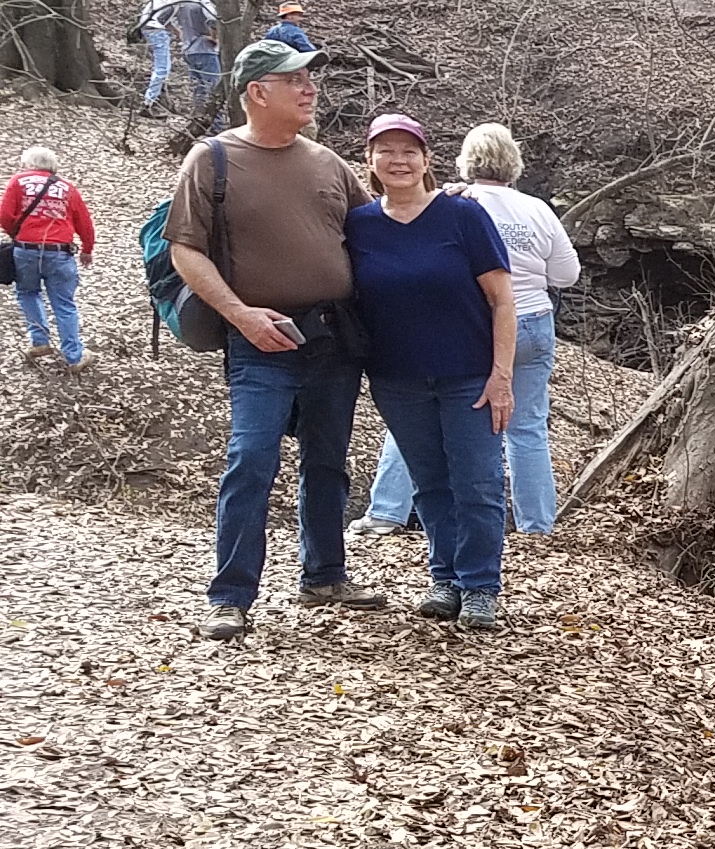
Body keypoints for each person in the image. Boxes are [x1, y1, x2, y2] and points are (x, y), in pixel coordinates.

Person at [167, 39, 387, 641]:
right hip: (258, 341)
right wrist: (240, 315)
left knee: (328, 462)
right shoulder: (210, 160)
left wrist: (441, 208)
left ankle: (324, 575)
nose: (310, 88)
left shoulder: (328, 163)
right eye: (295, 80)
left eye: (310, 78)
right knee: (250, 461)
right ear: (257, 92)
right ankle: (231, 596)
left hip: (332, 339)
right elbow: (185, 248)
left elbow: (377, 235)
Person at [354, 122, 578, 538]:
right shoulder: (535, 209)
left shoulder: (453, 204)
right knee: (526, 426)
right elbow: (566, 273)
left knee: (419, 419)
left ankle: (386, 511)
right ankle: (537, 527)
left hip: (470, 328)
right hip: (531, 323)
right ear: (514, 161)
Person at [344, 114, 517, 631]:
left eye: (409, 151)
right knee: (430, 482)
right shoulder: (359, 225)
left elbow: (502, 300)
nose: (399, 160)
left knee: (480, 481)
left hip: (470, 374)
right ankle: (444, 578)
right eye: (386, 151)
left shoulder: (462, 215)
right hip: (397, 378)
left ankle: (481, 584)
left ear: (426, 160)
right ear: (371, 161)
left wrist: (501, 374)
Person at [2, 147, 96, 369]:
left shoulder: (18, 182)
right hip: (59, 252)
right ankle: (74, 356)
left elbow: (5, 215)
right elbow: (84, 222)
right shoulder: (67, 187)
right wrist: (87, 249)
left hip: (25, 250)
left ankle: (40, 340)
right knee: (64, 303)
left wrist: (17, 233)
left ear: (28, 164)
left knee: (27, 292)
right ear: (53, 166)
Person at [134, 0, 192, 112]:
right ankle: (149, 102)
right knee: (162, 69)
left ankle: (156, 98)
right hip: (156, 31)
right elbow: (161, 20)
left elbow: (164, 19)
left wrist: (180, 35)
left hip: (148, 28)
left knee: (163, 67)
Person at [169, 0, 221, 113]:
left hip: (188, 49)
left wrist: (181, 34)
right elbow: (213, 21)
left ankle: (199, 118)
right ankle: (215, 124)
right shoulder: (202, 2)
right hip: (205, 49)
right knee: (213, 88)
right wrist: (214, 38)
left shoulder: (178, 1)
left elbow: (168, 19)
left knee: (198, 88)